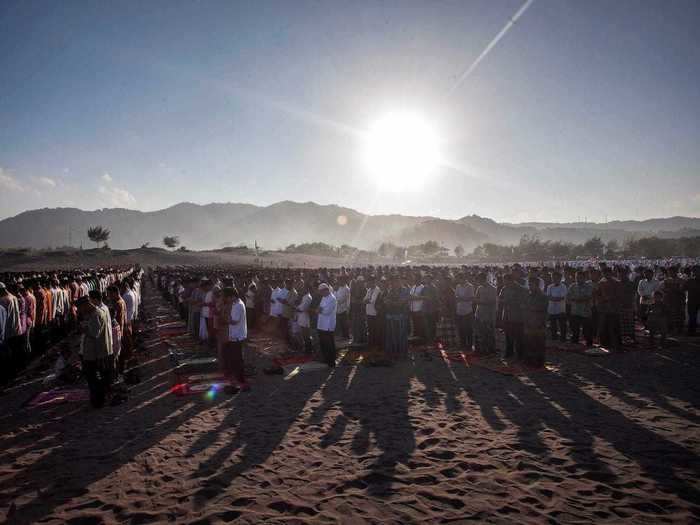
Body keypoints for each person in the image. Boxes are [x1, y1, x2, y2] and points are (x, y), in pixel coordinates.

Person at [76, 295, 113, 408]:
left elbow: (94, 333)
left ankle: (98, 402)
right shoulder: (94, 313)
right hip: (93, 353)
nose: (80, 311)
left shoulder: (96, 314)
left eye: (80, 308)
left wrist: (83, 328)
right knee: (94, 379)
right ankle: (97, 400)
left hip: (95, 354)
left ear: (86, 305)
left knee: (94, 379)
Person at [223, 287, 249, 389]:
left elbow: (234, 321)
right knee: (235, 358)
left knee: (237, 359)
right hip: (236, 334)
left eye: (227, 297)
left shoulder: (238, 305)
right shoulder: (236, 303)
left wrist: (226, 316)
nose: (226, 299)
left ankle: (241, 379)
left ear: (232, 296)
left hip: (237, 336)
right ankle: (238, 377)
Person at [498, 273, 526, 359]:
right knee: (508, 336)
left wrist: (510, 301)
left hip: (518, 317)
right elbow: (500, 298)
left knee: (519, 337)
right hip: (507, 315)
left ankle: (520, 354)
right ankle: (509, 353)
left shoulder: (520, 289)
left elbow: (523, 302)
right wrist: (504, 301)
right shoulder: (504, 288)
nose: (504, 282)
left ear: (510, 280)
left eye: (505, 280)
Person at [522, 276, 548, 368]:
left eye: (531, 285)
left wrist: (530, 308)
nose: (529, 287)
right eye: (529, 285)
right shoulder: (528, 295)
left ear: (537, 285)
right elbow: (524, 307)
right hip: (529, 322)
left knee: (539, 344)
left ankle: (539, 362)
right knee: (529, 343)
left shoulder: (543, 296)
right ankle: (530, 360)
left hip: (539, 323)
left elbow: (541, 309)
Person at [567, 271, 594, 346]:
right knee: (575, 331)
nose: (578, 279)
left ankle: (589, 345)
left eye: (580, 278)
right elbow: (568, 297)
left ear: (584, 278)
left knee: (587, 331)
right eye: (577, 278)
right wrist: (578, 299)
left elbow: (587, 297)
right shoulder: (572, 286)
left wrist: (575, 299)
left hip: (585, 312)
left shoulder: (588, 286)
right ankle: (575, 345)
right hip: (575, 312)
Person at [474, 273, 497, 354]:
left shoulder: (493, 289)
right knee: (480, 333)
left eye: (479, 279)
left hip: (488, 314)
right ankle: (482, 349)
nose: (478, 281)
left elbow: (492, 302)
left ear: (483, 279)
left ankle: (491, 349)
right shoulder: (479, 288)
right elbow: (475, 299)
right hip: (479, 313)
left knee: (489, 333)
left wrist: (481, 302)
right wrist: (481, 301)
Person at [317, 283, 337, 366]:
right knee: (323, 343)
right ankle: (326, 359)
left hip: (328, 325)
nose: (321, 293)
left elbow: (327, 311)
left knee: (329, 344)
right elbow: (320, 308)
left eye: (321, 291)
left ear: (326, 290)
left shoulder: (332, 298)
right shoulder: (323, 297)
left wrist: (320, 310)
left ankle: (331, 361)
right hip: (321, 323)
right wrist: (320, 310)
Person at [546, 271, 568, 342]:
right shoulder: (549, 286)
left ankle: (563, 339)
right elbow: (548, 297)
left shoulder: (563, 286)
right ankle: (554, 338)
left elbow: (561, 298)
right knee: (553, 326)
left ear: (560, 278)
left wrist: (553, 298)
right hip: (552, 309)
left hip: (561, 309)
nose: (555, 279)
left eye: (556, 278)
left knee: (562, 326)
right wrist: (554, 298)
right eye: (553, 278)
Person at [455, 274, 475, 350]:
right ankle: (463, 344)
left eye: (461, 279)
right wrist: (459, 298)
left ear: (464, 279)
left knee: (468, 329)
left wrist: (462, 299)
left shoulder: (470, 286)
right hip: (459, 310)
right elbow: (456, 296)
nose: (460, 280)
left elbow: (471, 298)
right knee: (461, 329)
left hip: (467, 310)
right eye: (459, 279)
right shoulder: (458, 286)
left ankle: (469, 345)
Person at [364, 276, 382, 349]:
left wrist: (367, 300)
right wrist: (367, 300)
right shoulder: (369, 289)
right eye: (369, 281)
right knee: (370, 329)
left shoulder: (377, 289)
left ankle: (376, 344)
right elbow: (364, 299)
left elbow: (372, 300)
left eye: (371, 281)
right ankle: (372, 344)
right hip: (369, 312)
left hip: (375, 313)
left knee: (375, 329)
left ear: (374, 282)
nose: (370, 283)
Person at [684, 266, 700, 336]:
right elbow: (683, 289)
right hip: (692, 302)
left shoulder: (690, 281)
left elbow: (683, 289)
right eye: (695, 271)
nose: (696, 272)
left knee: (692, 317)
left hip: (692, 301)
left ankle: (691, 331)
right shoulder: (690, 281)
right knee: (692, 317)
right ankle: (691, 331)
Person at [409, 275, 425, 340]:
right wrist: (412, 297)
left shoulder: (422, 287)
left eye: (417, 279)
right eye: (415, 279)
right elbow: (410, 295)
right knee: (414, 324)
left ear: (420, 279)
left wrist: (414, 297)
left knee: (419, 325)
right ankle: (415, 339)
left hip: (419, 309)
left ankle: (420, 339)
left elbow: (423, 297)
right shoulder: (413, 287)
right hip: (412, 308)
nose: (416, 280)